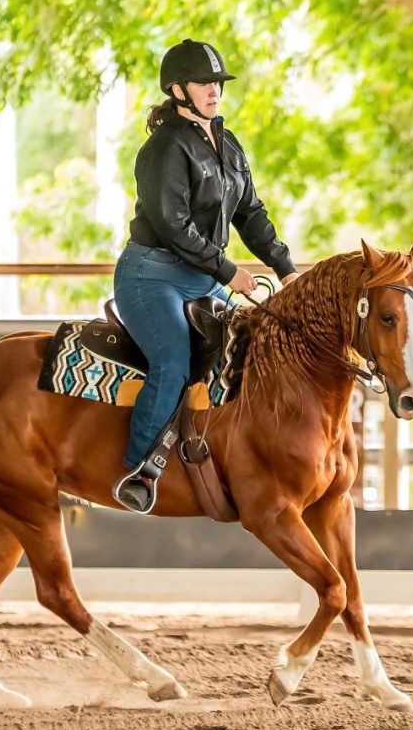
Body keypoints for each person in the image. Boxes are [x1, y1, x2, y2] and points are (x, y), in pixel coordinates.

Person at [112, 39, 300, 513]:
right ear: (177, 89)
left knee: (250, 349)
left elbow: (250, 213)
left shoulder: (227, 142)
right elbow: (174, 226)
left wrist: (286, 267)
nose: (214, 91)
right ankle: (137, 473)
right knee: (173, 360)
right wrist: (229, 270)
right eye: (204, 83)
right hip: (150, 275)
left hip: (198, 274)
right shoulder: (162, 148)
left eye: (217, 83)